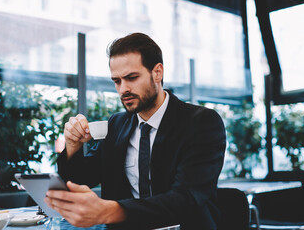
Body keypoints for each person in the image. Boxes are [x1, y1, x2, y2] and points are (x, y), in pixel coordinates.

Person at [44, 33, 226, 229]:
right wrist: (72, 147)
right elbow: (80, 180)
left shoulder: (201, 123)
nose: (123, 89)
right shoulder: (117, 124)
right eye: (117, 81)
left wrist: (109, 211)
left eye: (131, 78)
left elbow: (186, 199)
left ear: (157, 73)